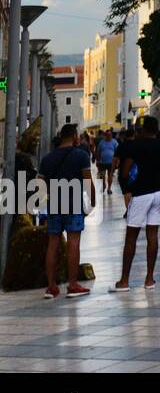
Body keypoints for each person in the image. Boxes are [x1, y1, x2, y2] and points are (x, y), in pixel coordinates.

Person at [112, 115, 160, 292]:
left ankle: (124, 281)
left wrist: (127, 187)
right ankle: (149, 279)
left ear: (143, 128)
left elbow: (125, 171)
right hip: (159, 192)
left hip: (140, 193)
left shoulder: (134, 145)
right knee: (152, 235)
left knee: (131, 236)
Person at [38, 124, 95, 300]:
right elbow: (87, 180)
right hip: (73, 205)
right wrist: (93, 200)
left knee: (53, 244)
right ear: (75, 137)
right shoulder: (81, 156)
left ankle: (52, 287)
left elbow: (41, 185)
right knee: (73, 243)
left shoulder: (47, 159)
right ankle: (72, 285)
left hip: (54, 205)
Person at [97, 129, 118, 196]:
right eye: (107, 135)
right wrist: (97, 160)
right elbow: (98, 152)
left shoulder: (114, 142)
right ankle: (103, 184)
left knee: (110, 176)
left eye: (110, 135)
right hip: (102, 162)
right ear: (105, 135)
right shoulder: (101, 142)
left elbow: (117, 152)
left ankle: (109, 188)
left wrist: (117, 162)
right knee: (102, 175)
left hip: (111, 163)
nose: (108, 136)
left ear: (111, 135)